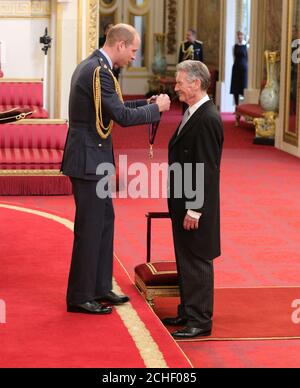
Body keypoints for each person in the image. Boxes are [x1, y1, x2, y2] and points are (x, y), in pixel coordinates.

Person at [61, 23, 171, 315]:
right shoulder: (99, 72)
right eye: (133, 50)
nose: (134, 56)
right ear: (120, 45)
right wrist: (155, 110)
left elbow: (112, 106)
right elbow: (120, 116)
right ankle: (80, 296)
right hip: (88, 161)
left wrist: (145, 103)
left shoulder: (95, 67)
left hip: (92, 158)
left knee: (104, 221)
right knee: (91, 227)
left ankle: (99, 286)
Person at [163, 60, 224, 339]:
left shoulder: (208, 118)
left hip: (195, 206)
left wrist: (196, 209)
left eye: (179, 83)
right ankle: (188, 311)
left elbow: (207, 169)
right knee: (185, 257)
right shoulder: (192, 112)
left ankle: (200, 320)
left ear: (196, 83)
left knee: (197, 258)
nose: (176, 88)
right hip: (183, 201)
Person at [178, 29, 204, 113]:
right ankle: (185, 109)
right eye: (186, 35)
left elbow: (201, 60)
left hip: (195, 73)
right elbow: (180, 60)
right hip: (186, 73)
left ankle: (195, 108)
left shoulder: (199, 45)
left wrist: (201, 73)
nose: (187, 37)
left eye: (188, 35)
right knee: (185, 90)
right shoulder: (183, 45)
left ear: (193, 36)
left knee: (195, 91)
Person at [230, 31, 248, 106]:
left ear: (243, 36)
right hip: (236, 68)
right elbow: (234, 57)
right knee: (235, 89)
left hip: (244, 69)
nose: (240, 36)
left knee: (243, 87)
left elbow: (248, 58)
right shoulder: (234, 46)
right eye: (238, 35)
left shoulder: (247, 46)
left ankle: (243, 106)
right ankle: (236, 106)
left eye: (241, 35)